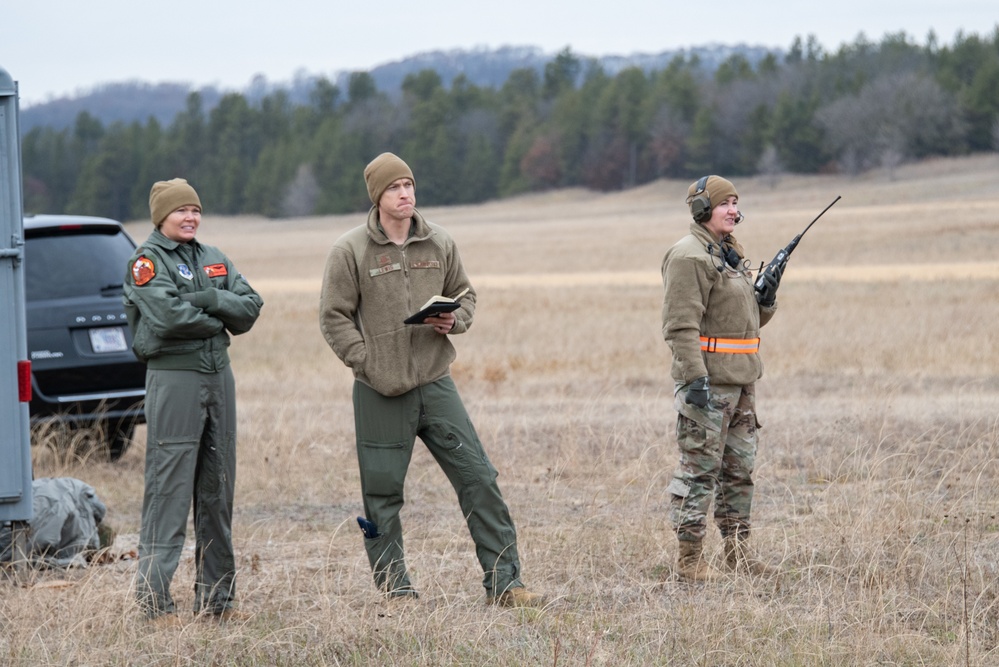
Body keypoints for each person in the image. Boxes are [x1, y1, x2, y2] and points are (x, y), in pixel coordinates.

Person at [319, 153, 542, 607]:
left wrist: (454, 320)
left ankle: (506, 584)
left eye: (409, 185)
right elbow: (334, 316)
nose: (405, 194)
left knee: (479, 478)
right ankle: (396, 589)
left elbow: (467, 294)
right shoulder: (351, 250)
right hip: (379, 390)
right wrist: (365, 361)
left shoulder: (439, 242)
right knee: (381, 496)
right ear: (377, 197)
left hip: (436, 383)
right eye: (394, 188)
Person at [123, 178, 263, 622]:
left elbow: (251, 306)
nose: (190, 217)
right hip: (175, 378)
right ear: (161, 217)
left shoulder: (213, 258)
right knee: (169, 491)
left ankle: (218, 600)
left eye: (195, 211)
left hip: (219, 377)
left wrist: (208, 298)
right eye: (181, 211)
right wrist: (219, 316)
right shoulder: (146, 262)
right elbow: (165, 317)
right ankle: (154, 601)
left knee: (217, 488)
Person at [660, 175, 781, 581]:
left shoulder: (728, 254)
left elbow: (746, 323)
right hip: (708, 386)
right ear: (701, 210)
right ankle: (690, 562)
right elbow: (680, 326)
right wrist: (695, 379)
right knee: (699, 471)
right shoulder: (689, 257)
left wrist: (766, 298)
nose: (733, 209)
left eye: (735, 202)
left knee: (738, 472)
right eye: (724, 202)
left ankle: (738, 555)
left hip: (741, 382)